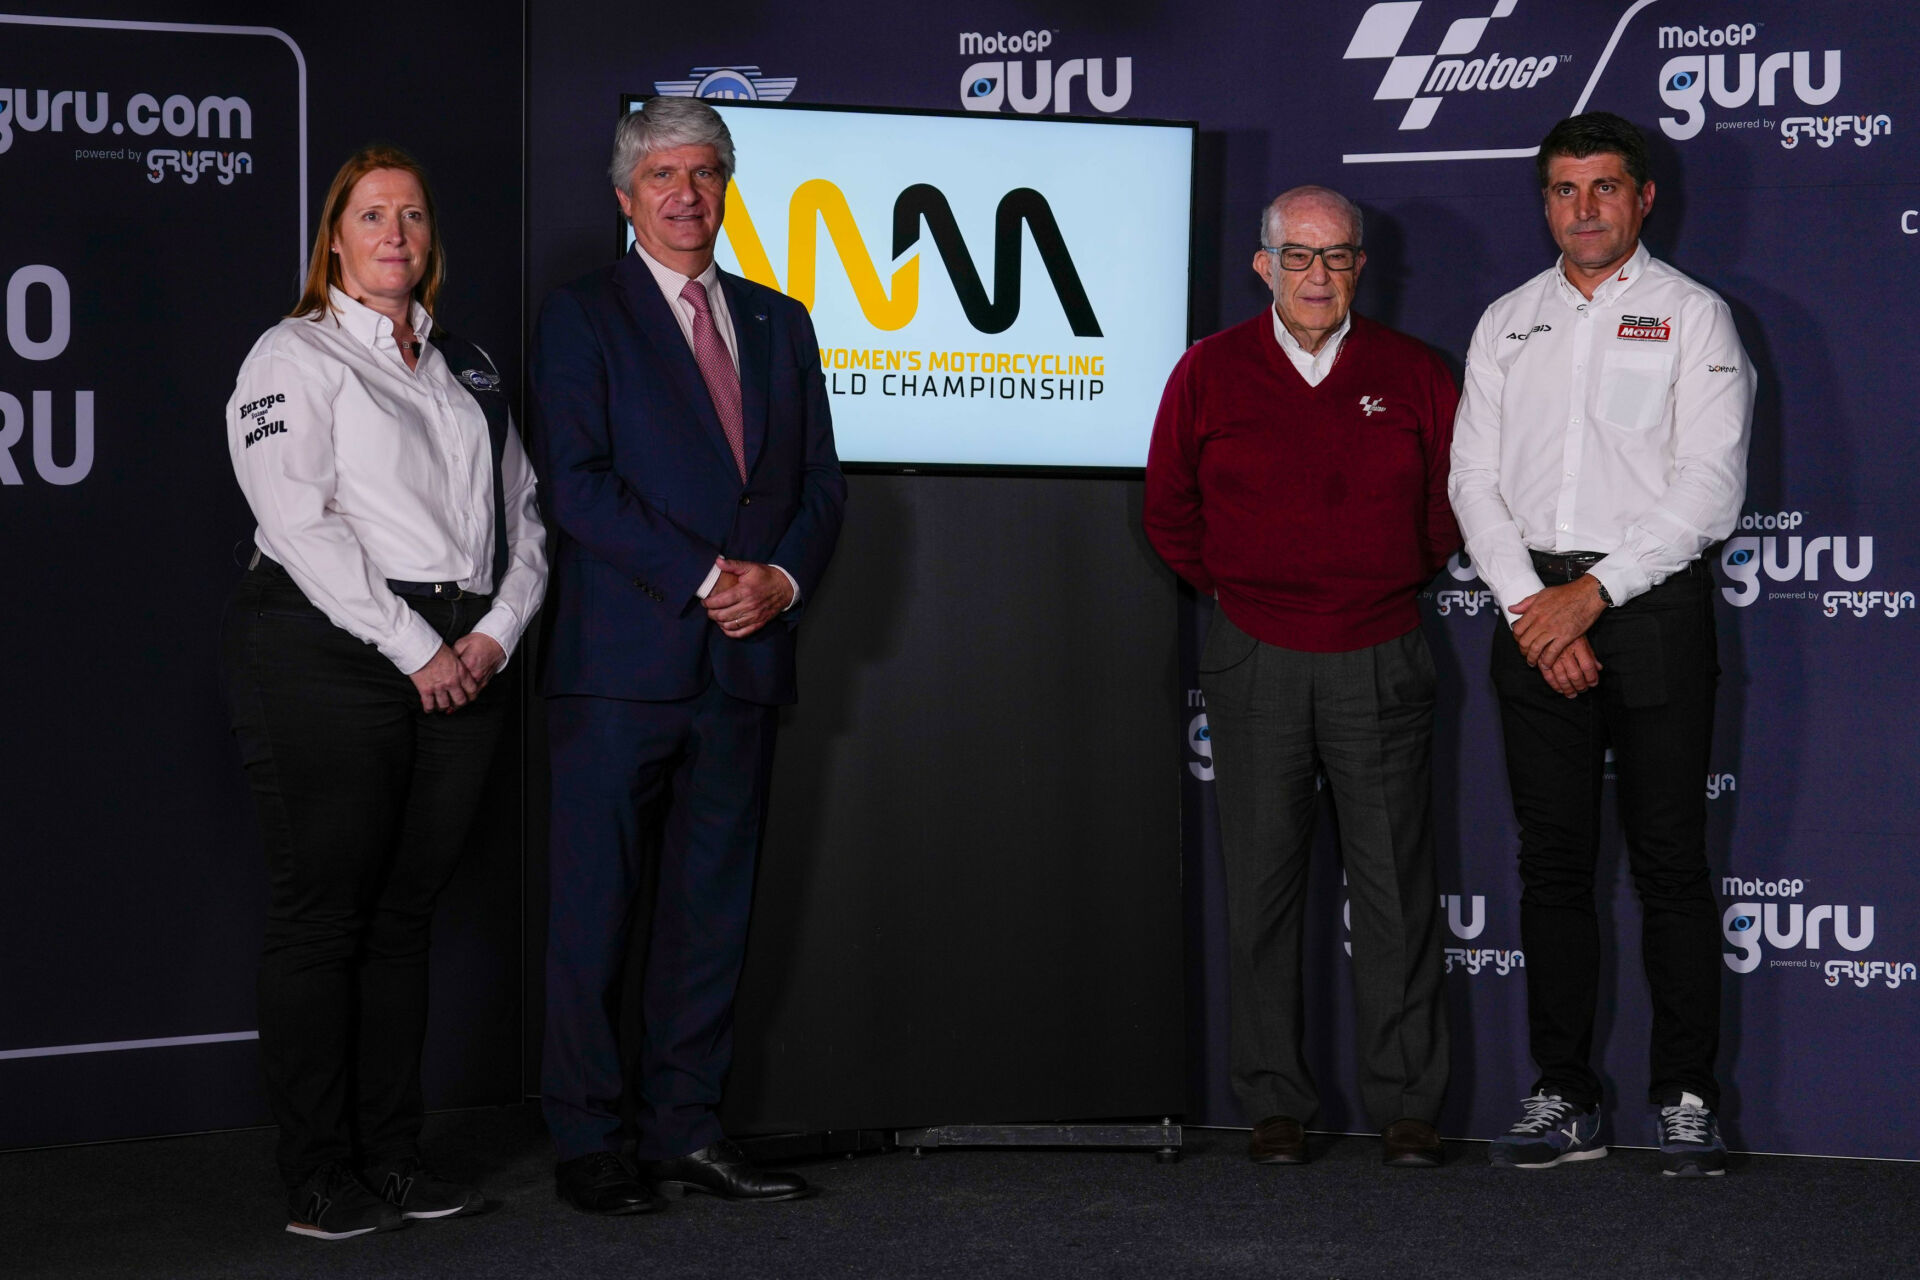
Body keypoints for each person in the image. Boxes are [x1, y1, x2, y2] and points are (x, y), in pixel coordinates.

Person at [221, 145, 548, 1238]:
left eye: (412, 214)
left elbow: (528, 519)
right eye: (372, 215)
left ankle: (391, 1154)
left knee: (405, 917)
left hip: (467, 654)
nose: (395, 232)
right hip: (330, 648)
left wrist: (494, 634)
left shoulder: (467, 368)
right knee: (326, 916)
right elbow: (298, 524)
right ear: (334, 239)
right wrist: (419, 649)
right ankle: (318, 1172)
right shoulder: (292, 354)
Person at [530, 96, 845, 1215]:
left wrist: (784, 581)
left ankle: (688, 1128)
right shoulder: (582, 317)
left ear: (727, 186)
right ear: (625, 198)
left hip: (747, 665)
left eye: (704, 173)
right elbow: (576, 484)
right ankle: (589, 1137)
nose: (685, 194)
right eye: (662, 174)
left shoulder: (780, 320)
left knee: (712, 914)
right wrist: (715, 576)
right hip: (623, 666)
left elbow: (818, 487)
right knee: (596, 913)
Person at [1448, 112, 1754, 1177]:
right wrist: (1539, 605)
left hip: (1653, 607)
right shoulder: (1506, 322)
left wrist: (1595, 595)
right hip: (1534, 608)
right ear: (1544, 202)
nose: (1584, 208)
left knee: (1671, 863)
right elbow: (1471, 482)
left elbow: (1710, 488)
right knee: (1553, 866)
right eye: (1564, 190)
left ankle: (1685, 1095)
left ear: (1643, 199)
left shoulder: (1694, 317)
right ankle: (1564, 1092)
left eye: (1605, 188)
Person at [1145, 185, 1460, 1169]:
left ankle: (1409, 1104)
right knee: (1264, 888)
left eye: (1336, 257)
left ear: (1362, 264)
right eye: (1298, 257)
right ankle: (1274, 1100)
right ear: (1263, 264)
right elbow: (1170, 511)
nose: (1317, 276)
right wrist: (1250, 590)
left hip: (1381, 647)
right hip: (1255, 655)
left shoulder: (1414, 373)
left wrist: (1371, 580)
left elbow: (1454, 510)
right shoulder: (1206, 372)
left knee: (1398, 890)